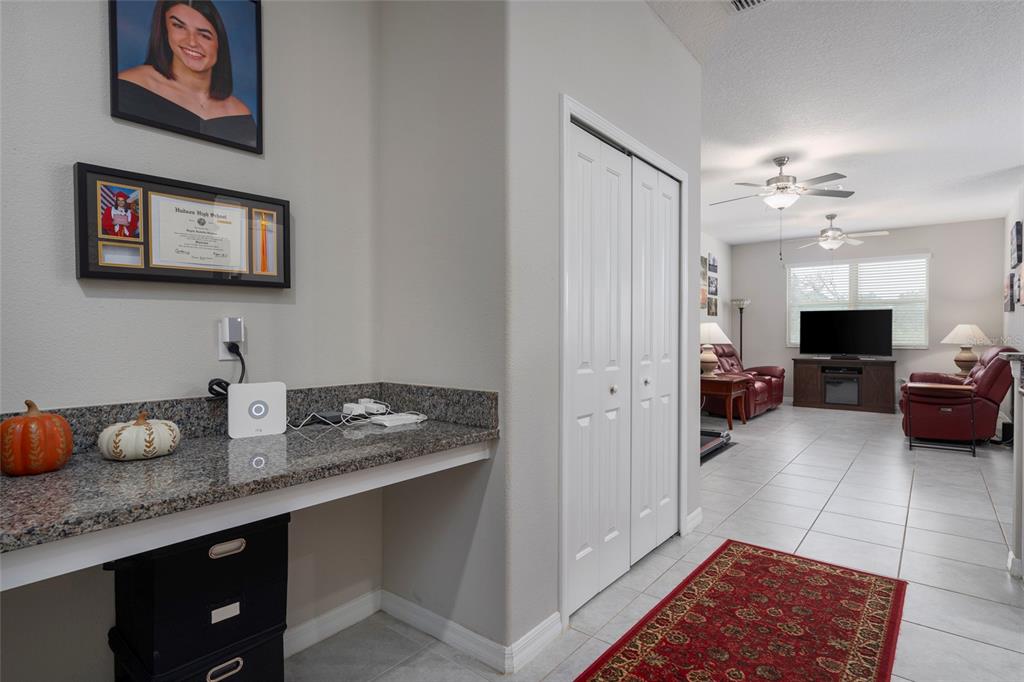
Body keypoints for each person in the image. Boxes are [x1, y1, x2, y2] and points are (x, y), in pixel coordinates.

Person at [117, 1, 256, 148]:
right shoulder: (130, 86)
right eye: (179, 26)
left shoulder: (239, 111)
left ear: (219, 44)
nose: (192, 42)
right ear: (165, 31)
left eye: (204, 35)